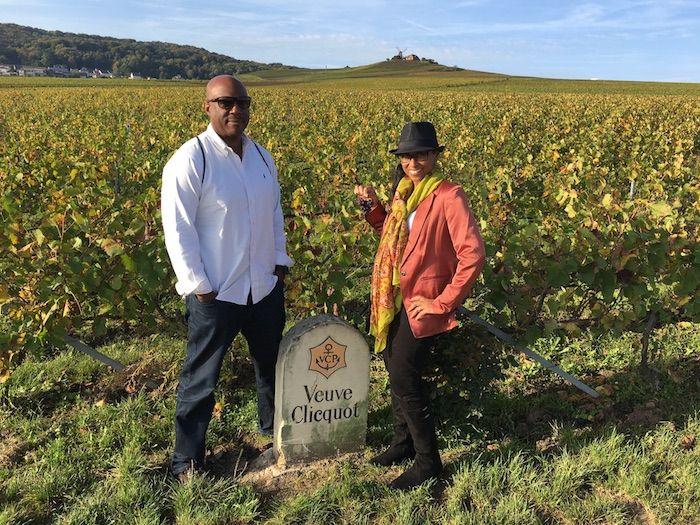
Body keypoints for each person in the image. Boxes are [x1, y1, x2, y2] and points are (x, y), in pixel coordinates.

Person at [161, 75, 293, 480]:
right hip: (215, 293)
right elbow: (177, 227)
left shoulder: (262, 157)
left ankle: (275, 435)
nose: (235, 110)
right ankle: (186, 460)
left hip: (262, 287)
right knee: (201, 378)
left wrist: (278, 260)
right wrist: (198, 285)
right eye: (225, 103)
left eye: (242, 103)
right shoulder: (192, 159)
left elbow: (272, 212)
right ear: (208, 107)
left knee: (271, 366)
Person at [354, 121, 485, 490]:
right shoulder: (404, 193)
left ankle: (429, 462)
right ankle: (403, 443)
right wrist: (371, 208)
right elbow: (394, 238)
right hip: (393, 298)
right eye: (407, 155)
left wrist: (443, 302)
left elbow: (473, 255)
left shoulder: (448, 195)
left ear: (434, 156)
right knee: (393, 367)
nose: (413, 161)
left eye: (421, 154)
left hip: (421, 304)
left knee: (404, 378)